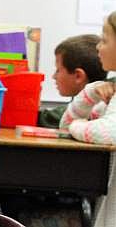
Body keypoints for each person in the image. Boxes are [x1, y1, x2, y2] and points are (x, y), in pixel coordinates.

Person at [60, 11, 116, 227]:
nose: (98, 47)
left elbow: (105, 133)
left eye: (104, 39)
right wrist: (90, 93)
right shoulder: (109, 91)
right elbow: (64, 125)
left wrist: (77, 125)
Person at [37, 34, 107, 128]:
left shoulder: (81, 112)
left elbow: (39, 118)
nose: (54, 76)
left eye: (58, 70)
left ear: (78, 76)